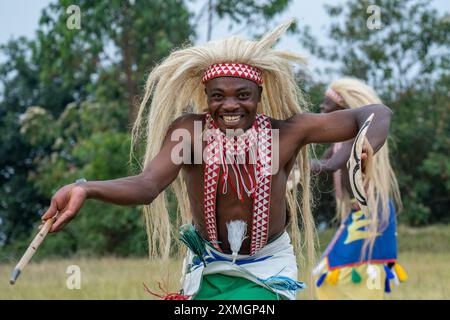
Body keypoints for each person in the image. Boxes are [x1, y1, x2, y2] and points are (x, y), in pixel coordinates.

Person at [41, 22, 393, 300]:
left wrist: (364, 145)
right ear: (206, 97)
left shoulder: (287, 133)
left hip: (268, 267)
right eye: (218, 96)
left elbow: (376, 113)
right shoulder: (190, 135)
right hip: (207, 266)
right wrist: (85, 188)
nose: (230, 106)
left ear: (260, 95)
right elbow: (147, 185)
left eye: (243, 95)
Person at [311, 78, 407, 300]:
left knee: (347, 276)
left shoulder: (355, 139)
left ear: (343, 110)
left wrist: (291, 163)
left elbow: (327, 166)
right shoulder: (340, 142)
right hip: (363, 213)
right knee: (342, 277)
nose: (322, 108)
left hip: (370, 214)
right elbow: (321, 165)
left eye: (327, 104)